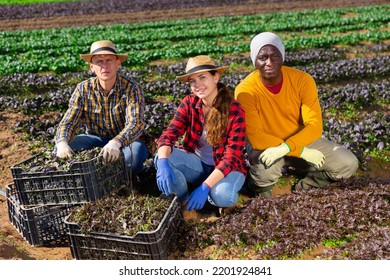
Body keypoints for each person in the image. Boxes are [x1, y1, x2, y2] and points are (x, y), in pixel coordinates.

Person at [235, 32, 359, 197]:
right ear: (254, 60)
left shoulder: (302, 80)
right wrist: (300, 152)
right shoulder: (245, 90)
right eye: (262, 57)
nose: (269, 62)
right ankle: (260, 193)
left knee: (347, 163)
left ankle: (308, 186)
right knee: (264, 173)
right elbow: (256, 137)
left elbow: (314, 126)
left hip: (300, 140)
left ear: (282, 57)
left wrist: (288, 148)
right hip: (267, 146)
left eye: (275, 56)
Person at [155, 55, 247, 212]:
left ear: (215, 77)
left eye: (202, 77)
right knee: (161, 157)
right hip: (198, 164)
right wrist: (163, 162)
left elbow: (231, 158)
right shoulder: (189, 103)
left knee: (222, 195)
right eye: (192, 81)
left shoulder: (234, 110)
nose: (198, 85)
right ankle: (184, 200)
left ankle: (213, 199)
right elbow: (170, 133)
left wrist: (205, 188)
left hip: (228, 169)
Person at [55, 40, 148, 177]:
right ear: (92, 67)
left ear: (118, 64)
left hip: (126, 143)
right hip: (95, 140)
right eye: (99, 61)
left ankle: (114, 179)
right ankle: (95, 176)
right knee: (66, 146)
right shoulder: (83, 89)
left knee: (134, 158)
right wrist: (62, 142)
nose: (105, 66)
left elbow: (136, 123)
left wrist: (117, 142)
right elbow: (69, 121)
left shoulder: (131, 88)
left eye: (109, 60)